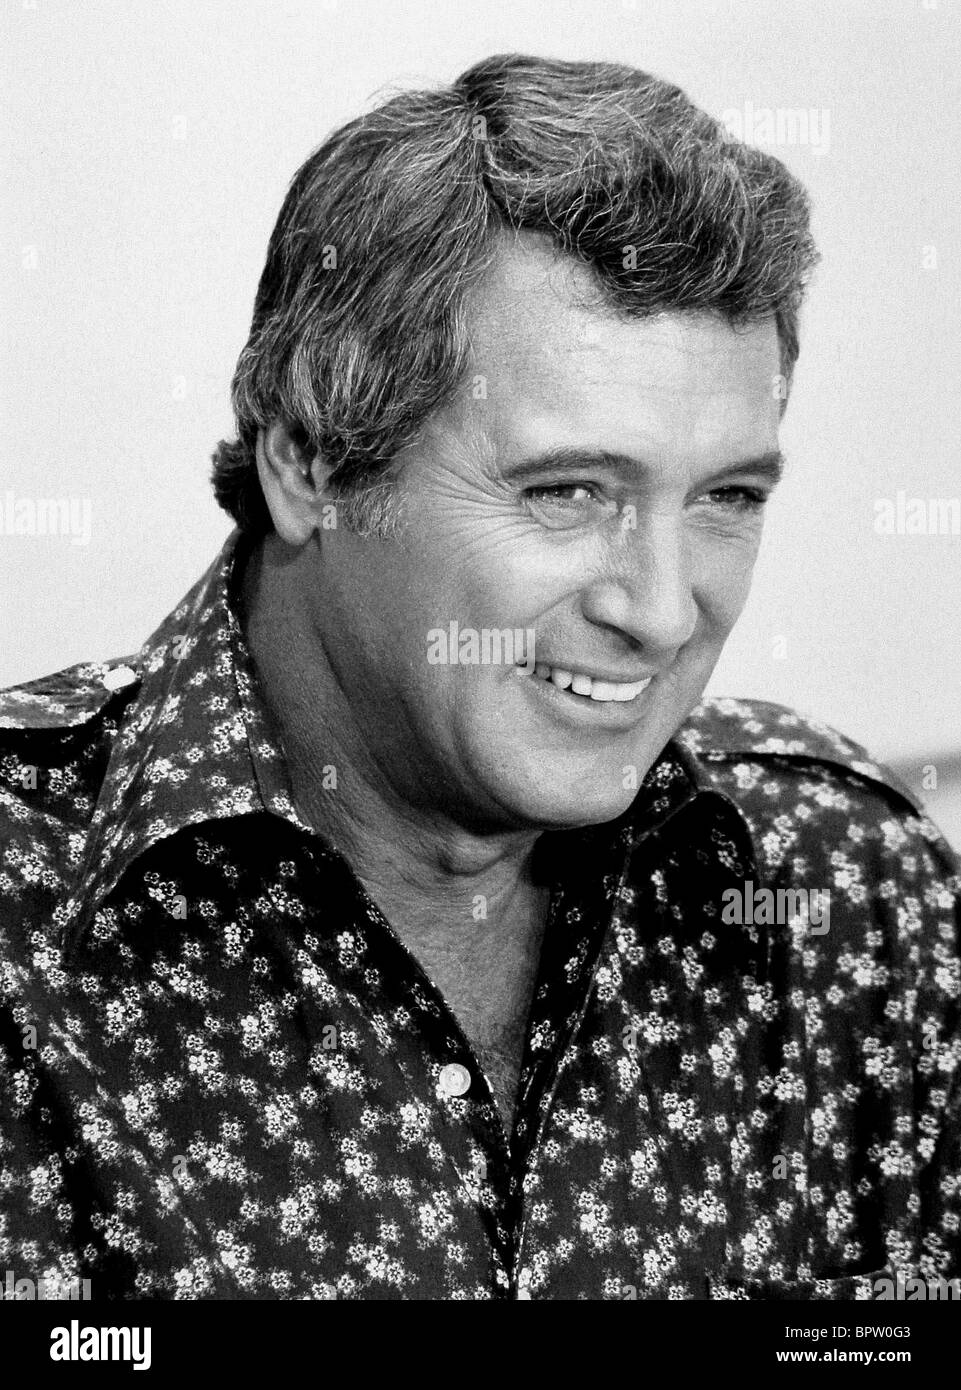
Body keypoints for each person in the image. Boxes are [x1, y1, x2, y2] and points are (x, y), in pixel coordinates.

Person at [1, 53, 958, 1301]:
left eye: (726, 498)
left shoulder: (851, 892)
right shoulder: (25, 915)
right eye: (568, 492)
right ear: (310, 462)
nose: (662, 610)